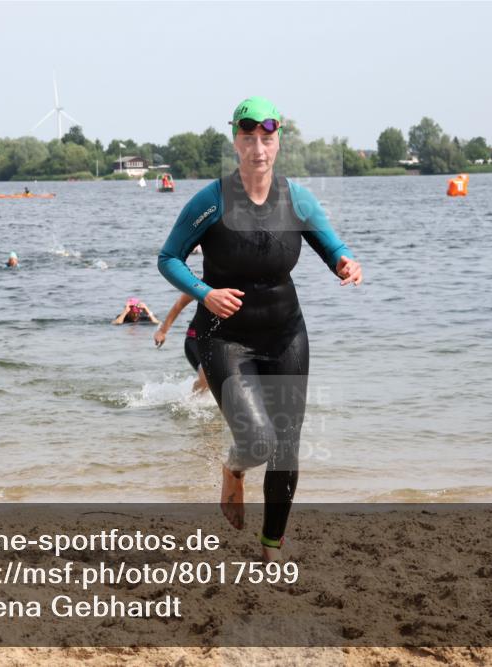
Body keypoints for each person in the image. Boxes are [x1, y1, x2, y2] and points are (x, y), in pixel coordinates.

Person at [158, 96, 362, 561]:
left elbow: (332, 245)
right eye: (248, 138)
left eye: (266, 138)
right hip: (224, 337)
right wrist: (204, 291)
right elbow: (168, 257)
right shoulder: (211, 201)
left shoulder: (297, 198)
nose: (258, 148)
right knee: (258, 441)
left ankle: (271, 547)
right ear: (235, 141)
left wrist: (345, 263)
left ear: (278, 141)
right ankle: (233, 470)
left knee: (286, 445)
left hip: (286, 334)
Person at [154, 293, 208, 393]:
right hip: (195, 339)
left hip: (224, 341)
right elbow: (180, 303)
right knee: (207, 375)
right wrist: (162, 331)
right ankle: (192, 401)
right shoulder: (207, 283)